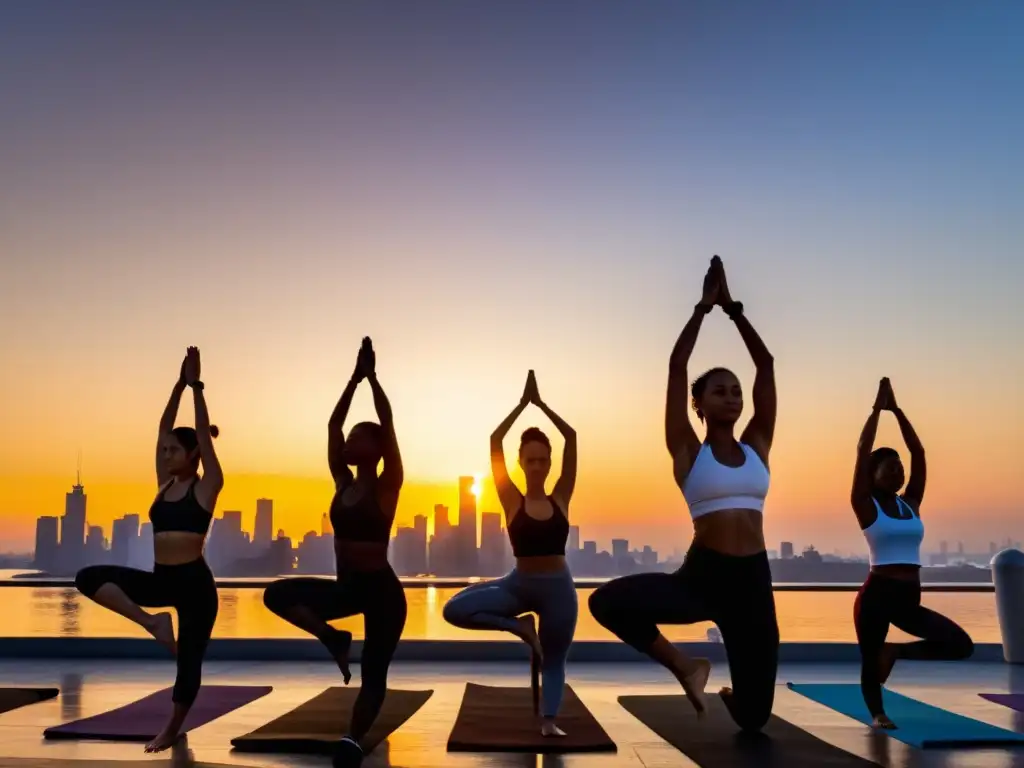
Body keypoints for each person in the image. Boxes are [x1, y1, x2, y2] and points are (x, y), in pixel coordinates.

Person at [588, 256, 779, 732]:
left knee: (755, 721)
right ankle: (684, 666)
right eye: (719, 391)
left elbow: (767, 365)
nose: (732, 397)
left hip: (754, 583)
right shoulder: (688, 452)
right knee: (605, 603)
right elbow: (677, 366)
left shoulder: (757, 444)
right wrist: (701, 309)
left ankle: (736, 693)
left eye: (735, 391)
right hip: (704, 577)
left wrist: (734, 310)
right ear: (699, 404)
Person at [263, 338, 405, 767]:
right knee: (275, 596)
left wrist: (374, 379)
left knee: (373, 675)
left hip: (382, 594)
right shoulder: (342, 483)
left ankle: (353, 738)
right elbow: (331, 427)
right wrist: (352, 379)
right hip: (348, 590)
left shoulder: (387, 484)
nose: (348, 442)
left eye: (358, 438)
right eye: (350, 438)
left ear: (376, 451)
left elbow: (389, 423)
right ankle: (333, 636)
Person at [75, 346, 222, 752]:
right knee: (88, 578)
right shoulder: (164, 484)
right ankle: (152, 622)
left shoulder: (205, 487)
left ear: (193, 455)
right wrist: (176, 384)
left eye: (174, 450)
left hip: (195, 586)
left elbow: (202, 434)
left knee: (189, 662)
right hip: (163, 581)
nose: (166, 453)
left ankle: (172, 727)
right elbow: (162, 427)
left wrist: (196, 387)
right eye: (165, 451)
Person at [443, 370, 578, 737]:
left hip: (558, 591)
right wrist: (522, 406)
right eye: (530, 460)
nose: (537, 466)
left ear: (550, 463)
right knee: (454, 609)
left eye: (543, 460)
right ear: (521, 463)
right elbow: (495, 440)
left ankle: (549, 720)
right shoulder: (511, 498)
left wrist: (543, 405)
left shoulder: (561, 496)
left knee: (554, 658)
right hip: (519, 585)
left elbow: (572, 437)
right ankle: (519, 626)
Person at [851, 377, 973, 730]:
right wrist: (876, 411)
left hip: (907, 598)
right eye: (890, 469)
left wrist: (898, 411)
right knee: (869, 659)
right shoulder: (866, 505)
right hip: (876, 596)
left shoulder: (911, 504)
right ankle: (877, 713)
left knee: (960, 645)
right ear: (873, 475)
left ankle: (897, 651)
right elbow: (862, 451)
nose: (899, 473)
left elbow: (919, 454)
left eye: (899, 469)